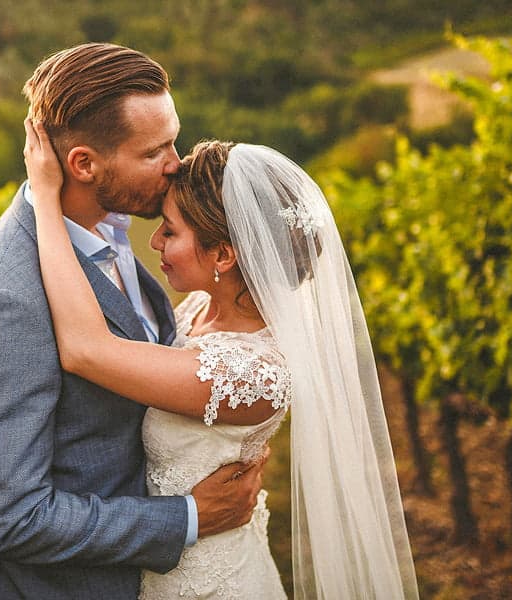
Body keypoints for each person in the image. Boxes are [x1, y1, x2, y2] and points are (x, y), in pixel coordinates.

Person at [24, 119, 421, 598]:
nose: (155, 243)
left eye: (170, 232)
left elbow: (87, 351)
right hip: (165, 561)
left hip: (207, 582)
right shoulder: (200, 309)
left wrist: (44, 200)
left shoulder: (253, 373)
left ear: (224, 255)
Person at [0, 43, 265, 600]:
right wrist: (186, 517)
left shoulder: (113, 229)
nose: (177, 162)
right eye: (155, 151)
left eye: (174, 139)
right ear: (85, 164)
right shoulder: (5, 299)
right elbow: (13, 518)